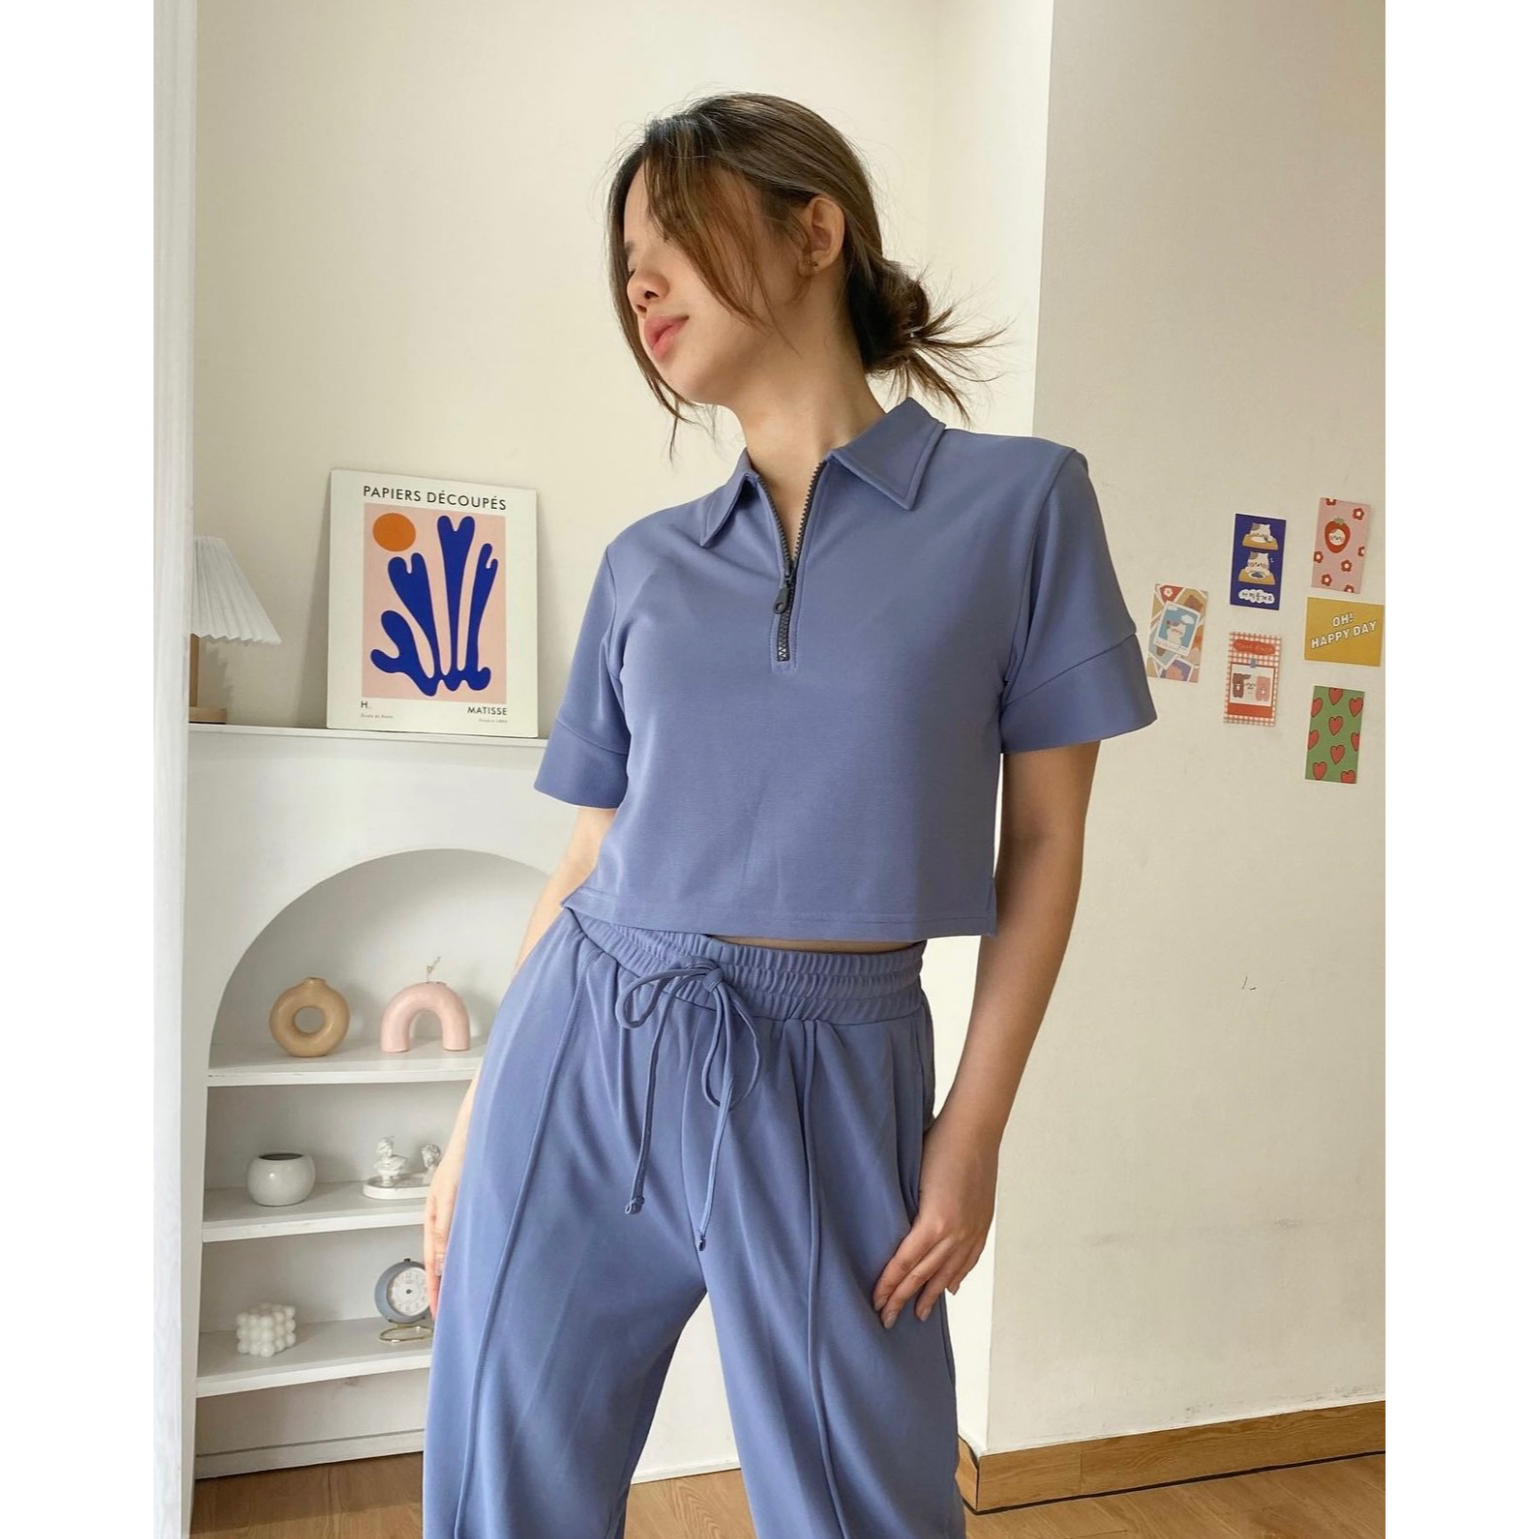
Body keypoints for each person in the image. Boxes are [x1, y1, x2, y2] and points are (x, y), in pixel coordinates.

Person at [420, 91, 1157, 1539]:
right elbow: (588, 851)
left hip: (831, 1068)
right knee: (503, 1496)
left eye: (672, 238)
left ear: (816, 231)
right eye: (625, 263)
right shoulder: (645, 565)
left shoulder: (1022, 507)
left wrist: (974, 1130)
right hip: (581, 1045)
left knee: (863, 1511)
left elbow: (1046, 840)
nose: (639, 283)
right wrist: (467, 1124)